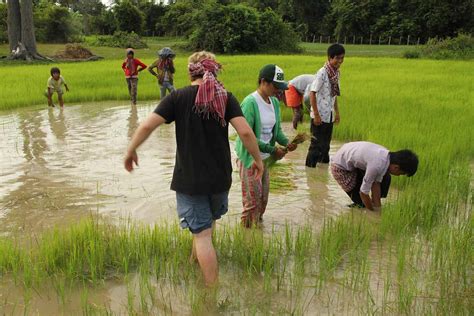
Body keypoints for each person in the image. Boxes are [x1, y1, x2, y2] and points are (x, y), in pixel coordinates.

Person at [124, 51, 264, 287]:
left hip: (190, 180)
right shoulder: (225, 97)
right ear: (214, 71)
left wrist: (131, 149)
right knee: (208, 224)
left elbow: (148, 124)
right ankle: (194, 261)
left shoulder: (178, 97)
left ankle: (210, 293)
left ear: (190, 72)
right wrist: (258, 160)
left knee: (202, 235)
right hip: (220, 178)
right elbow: (246, 132)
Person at [235, 64, 297, 228]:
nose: (278, 90)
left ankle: (257, 232)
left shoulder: (274, 102)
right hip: (250, 159)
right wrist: (272, 149)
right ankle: (247, 236)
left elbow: (275, 132)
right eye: (276, 86)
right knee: (252, 203)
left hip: (265, 160)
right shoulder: (250, 103)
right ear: (264, 82)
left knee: (263, 201)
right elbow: (247, 136)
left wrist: (286, 142)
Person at [331, 141, 418, 211]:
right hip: (340, 167)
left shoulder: (385, 157)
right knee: (361, 204)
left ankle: (368, 203)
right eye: (401, 173)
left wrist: (378, 207)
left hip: (352, 160)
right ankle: (357, 206)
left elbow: (376, 184)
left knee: (386, 178)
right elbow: (363, 192)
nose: (399, 175)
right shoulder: (376, 165)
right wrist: (373, 212)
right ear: (396, 167)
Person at [306, 43, 345, 167]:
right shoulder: (322, 73)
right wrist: (316, 115)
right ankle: (310, 171)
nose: (340, 61)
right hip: (319, 116)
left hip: (329, 115)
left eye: (342, 58)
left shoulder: (336, 73)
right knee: (315, 146)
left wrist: (337, 113)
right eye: (337, 58)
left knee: (326, 146)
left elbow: (334, 95)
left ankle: (322, 176)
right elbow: (312, 93)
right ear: (330, 58)